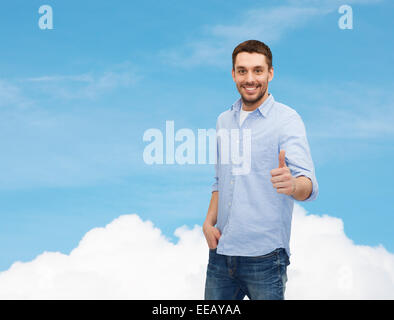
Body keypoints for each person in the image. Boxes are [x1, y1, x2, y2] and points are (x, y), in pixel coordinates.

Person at [203, 40, 319, 300]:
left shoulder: (287, 120)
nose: (250, 79)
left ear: (270, 73)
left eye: (258, 70)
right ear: (233, 74)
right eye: (242, 71)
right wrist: (208, 222)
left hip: (265, 260)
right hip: (221, 255)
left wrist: (293, 185)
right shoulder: (224, 120)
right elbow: (221, 181)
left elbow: (308, 184)